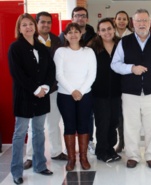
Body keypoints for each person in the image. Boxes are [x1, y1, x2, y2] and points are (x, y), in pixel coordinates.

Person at [111, 8, 151, 169]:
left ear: (150, 22)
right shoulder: (124, 41)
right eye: (138, 21)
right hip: (130, 93)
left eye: (145, 20)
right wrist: (131, 68)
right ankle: (133, 156)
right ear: (133, 23)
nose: (141, 24)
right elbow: (114, 64)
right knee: (131, 126)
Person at [8, 13, 55, 184]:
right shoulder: (15, 48)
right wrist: (35, 88)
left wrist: (46, 87)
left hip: (42, 96)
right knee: (20, 134)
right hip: (24, 97)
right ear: (19, 29)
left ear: (35, 27)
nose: (28, 27)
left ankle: (40, 165)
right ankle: (16, 171)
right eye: (24, 25)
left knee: (39, 132)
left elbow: (51, 70)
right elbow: (17, 73)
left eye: (30, 24)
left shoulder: (42, 48)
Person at [23, 11, 67, 171]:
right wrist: (35, 87)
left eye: (49, 22)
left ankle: (56, 152)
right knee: (33, 125)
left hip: (53, 88)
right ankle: (30, 157)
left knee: (54, 122)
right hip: (34, 91)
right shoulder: (29, 40)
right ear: (36, 23)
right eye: (43, 22)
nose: (46, 25)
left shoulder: (57, 40)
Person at [54, 23, 96, 171]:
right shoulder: (60, 52)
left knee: (84, 125)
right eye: (69, 32)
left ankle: (83, 158)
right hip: (65, 95)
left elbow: (92, 74)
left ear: (81, 34)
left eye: (76, 32)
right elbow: (59, 74)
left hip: (85, 94)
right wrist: (73, 91)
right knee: (69, 126)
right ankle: (71, 159)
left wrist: (81, 91)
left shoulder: (88, 51)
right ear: (65, 36)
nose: (73, 34)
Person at [89, 18, 122, 163]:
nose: (107, 32)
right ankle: (101, 150)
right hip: (99, 92)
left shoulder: (121, 45)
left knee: (114, 121)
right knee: (103, 122)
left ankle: (110, 148)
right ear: (98, 32)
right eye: (103, 30)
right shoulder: (92, 48)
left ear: (113, 29)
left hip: (117, 92)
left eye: (109, 29)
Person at [113, 10, 133, 153]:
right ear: (115, 20)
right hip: (112, 78)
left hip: (129, 77)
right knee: (117, 113)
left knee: (129, 114)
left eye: (124, 19)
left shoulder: (132, 36)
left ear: (128, 21)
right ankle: (120, 141)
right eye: (119, 18)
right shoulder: (109, 34)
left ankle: (130, 142)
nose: (121, 21)